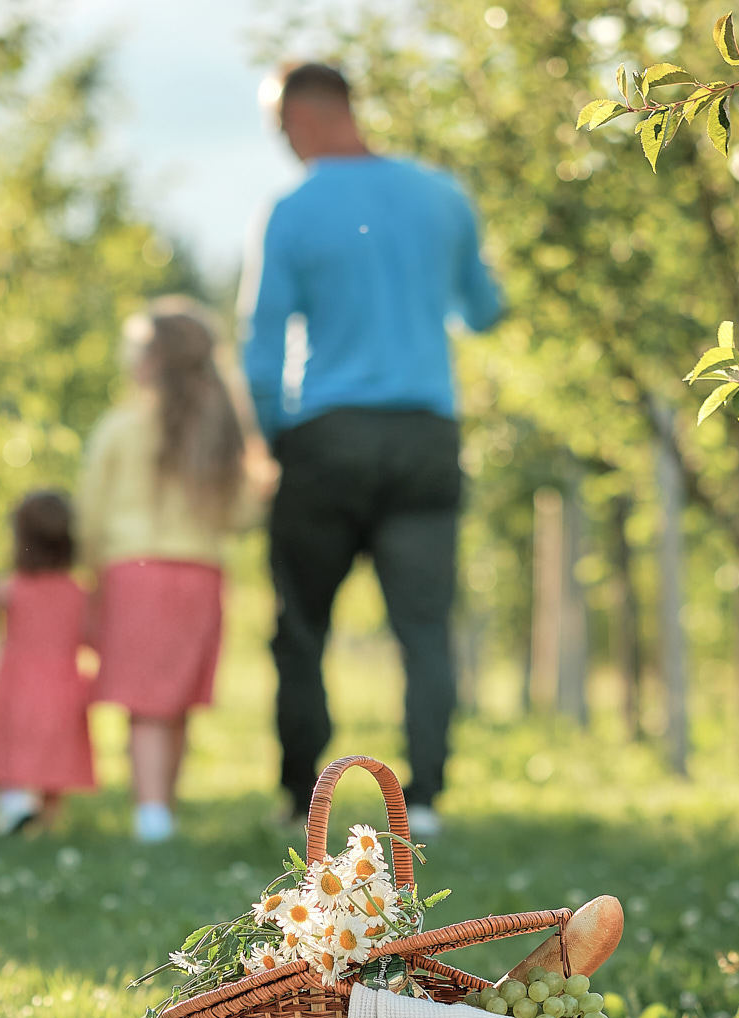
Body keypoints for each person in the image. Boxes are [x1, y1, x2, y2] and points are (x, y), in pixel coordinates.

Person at [240, 61, 502, 838]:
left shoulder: (291, 209)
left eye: (280, 130)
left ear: (302, 119)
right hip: (424, 434)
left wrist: (270, 438)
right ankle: (421, 801)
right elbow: (484, 310)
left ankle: (301, 799)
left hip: (327, 434)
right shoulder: (442, 195)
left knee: (302, 625)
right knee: (424, 628)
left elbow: (259, 350)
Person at [78, 297, 255, 845]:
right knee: (175, 702)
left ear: (151, 361)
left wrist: (90, 579)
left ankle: (151, 813)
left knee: (145, 705)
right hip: (201, 575)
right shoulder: (221, 433)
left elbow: (91, 511)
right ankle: (164, 807)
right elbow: (241, 514)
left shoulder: (121, 427)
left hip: (136, 573)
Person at [0, 491, 95, 836]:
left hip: (17, 685)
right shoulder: (79, 593)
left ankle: (13, 806)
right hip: (64, 688)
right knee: (56, 759)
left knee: (6, 752)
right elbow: (95, 637)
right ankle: (45, 822)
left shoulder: (13, 587)